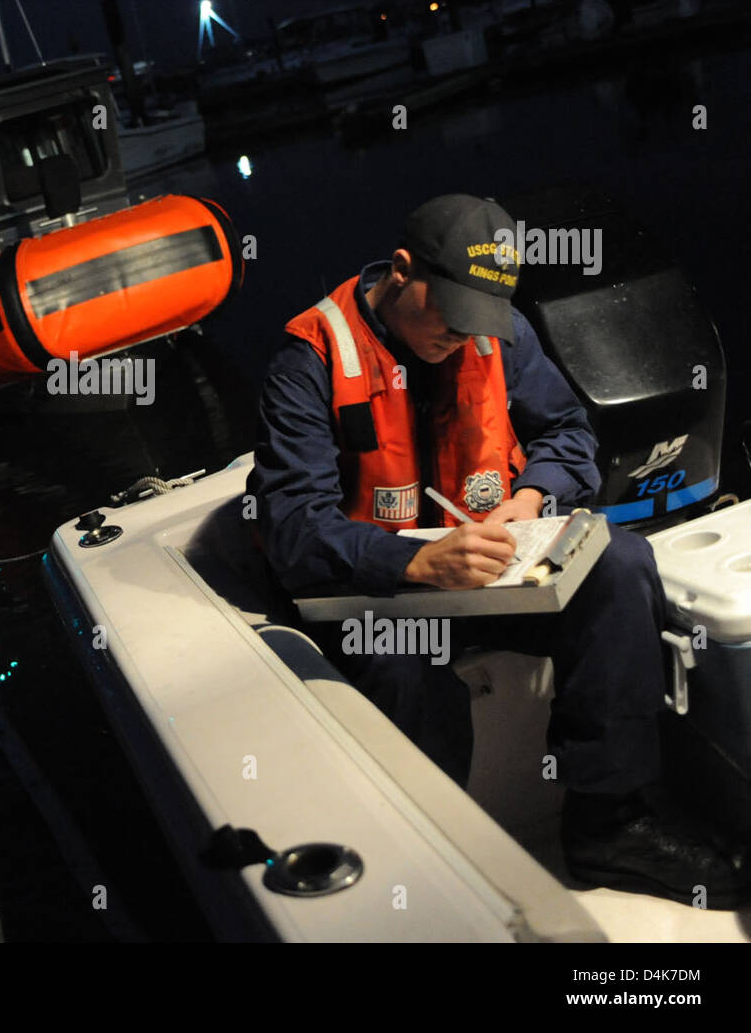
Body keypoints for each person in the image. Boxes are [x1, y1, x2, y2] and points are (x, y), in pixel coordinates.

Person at [249, 193, 750, 909]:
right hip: (381, 592)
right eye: (448, 314)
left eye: (476, 319)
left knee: (622, 566)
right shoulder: (309, 361)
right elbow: (294, 528)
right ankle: (433, 861)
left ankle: (609, 824)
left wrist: (531, 500)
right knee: (400, 668)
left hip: (493, 577)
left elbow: (568, 434)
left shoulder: (497, 331)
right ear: (401, 271)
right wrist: (415, 563)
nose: (460, 335)